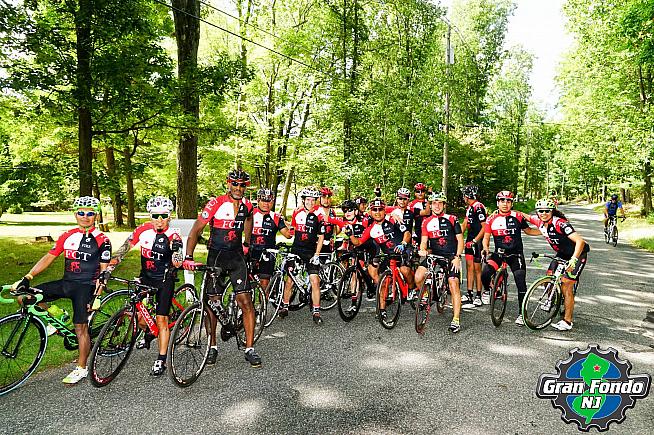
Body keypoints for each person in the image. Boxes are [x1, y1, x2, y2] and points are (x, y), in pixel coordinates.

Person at [12, 196, 111, 384]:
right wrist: (28, 277)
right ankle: (57, 314)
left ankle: (82, 368)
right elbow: (49, 257)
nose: (85, 217)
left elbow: (104, 272)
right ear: (75, 214)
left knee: (81, 328)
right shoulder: (67, 235)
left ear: (96, 216)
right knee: (25, 297)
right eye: (81, 213)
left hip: (86, 287)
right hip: (66, 283)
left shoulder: (102, 240)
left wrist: (97, 296)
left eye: (90, 213)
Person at [183, 169, 261, 368]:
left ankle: (250, 349)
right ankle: (212, 346)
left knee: (246, 301)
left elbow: (249, 219)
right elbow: (196, 229)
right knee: (212, 303)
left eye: (242, 185)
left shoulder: (247, 206)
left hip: (236, 258)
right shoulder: (215, 203)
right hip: (216, 257)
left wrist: (247, 242)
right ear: (228, 183)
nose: (238, 188)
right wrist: (189, 256)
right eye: (235, 183)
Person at [109, 196, 183, 376]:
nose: (159, 220)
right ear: (150, 216)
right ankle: (150, 333)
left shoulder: (173, 235)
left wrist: (176, 251)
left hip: (164, 279)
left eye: (164, 215)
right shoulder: (142, 230)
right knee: (139, 317)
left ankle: (161, 359)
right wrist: (109, 268)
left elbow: (178, 261)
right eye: (156, 215)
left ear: (169, 216)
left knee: (161, 319)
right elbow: (124, 249)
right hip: (146, 278)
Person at [519, 199, 589, 331]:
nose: (544, 213)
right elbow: (524, 217)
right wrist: (506, 213)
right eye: (540, 211)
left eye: (547, 211)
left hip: (578, 254)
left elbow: (580, 242)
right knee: (549, 278)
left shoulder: (560, 223)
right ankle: (555, 298)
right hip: (562, 254)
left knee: (566, 285)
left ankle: (567, 321)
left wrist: (574, 260)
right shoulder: (540, 222)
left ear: (552, 211)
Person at [344, 198, 415, 320]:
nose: (377, 212)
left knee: (405, 270)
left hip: (403, 249)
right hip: (389, 255)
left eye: (380, 209)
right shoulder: (371, 229)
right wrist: (350, 235)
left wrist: (403, 243)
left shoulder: (392, 219)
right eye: (374, 210)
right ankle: (382, 310)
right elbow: (358, 242)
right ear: (371, 212)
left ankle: (412, 289)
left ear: (384, 210)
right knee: (382, 281)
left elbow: (407, 233)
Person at [481, 191, 534, 326]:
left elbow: (529, 231)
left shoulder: (518, 216)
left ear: (511, 203)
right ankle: (490, 289)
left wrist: (545, 232)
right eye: (502, 201)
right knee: (485, 273)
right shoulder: (491, 219)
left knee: (520, 282)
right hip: (499, 254)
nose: (505, 204)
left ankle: (522, 314)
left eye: (508, 201)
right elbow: (486, 238)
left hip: (516, 255)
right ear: (497, 203)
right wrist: (485, 248)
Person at [415, 192, 464, 333]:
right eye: (434, 203)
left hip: (451, 256)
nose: (437, 206)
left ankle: (456, 319)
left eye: (440, 203)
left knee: (453, 284)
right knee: (418, 277)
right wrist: (422, 250)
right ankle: (426, 294)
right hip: (434, 254)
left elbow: (460, 240)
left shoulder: (452, 219)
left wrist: (457, 256)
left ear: (444, 205)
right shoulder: (426, 222)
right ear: (430, 205)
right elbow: (424, 241)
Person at [279, 186, 326, 324]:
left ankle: (316, 311)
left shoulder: (319, 214)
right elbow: (293, 229)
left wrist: (317, 255)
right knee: (290, 280)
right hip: (296, 250)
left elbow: (321, 237)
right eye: (308, 200)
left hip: (311, 252)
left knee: (315, 280)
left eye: (313, 200)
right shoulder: (297, 212)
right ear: (303, 200)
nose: (310, 202)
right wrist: (283, 222)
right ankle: (285, 306)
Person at [250, 188, 292, 291]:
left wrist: (292, 224)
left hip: (268, 254)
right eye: (263, 200)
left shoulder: (276, 217)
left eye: (269, 201)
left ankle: (264, 301)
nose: (266, 204)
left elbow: (288, 235)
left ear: (272, 202)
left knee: (265, 283)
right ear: (258, 200)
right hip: (251, 252)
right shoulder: (250, 214)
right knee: (246, 283)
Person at [460, 185, 487, 308]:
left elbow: (485, 227)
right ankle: (469, 293)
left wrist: (476, 240)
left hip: (478, 241)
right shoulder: (470, 208)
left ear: (467, 196)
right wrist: (456, 237)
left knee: (477, 269)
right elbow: (464, 224)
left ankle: (478, 295)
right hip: (470, 240)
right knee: (469, 267)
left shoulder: (478, 207)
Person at [313, 187, 340, 255]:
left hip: (329, 245)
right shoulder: (315, 211)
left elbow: (335, 229)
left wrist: (333, 237)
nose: (326, 200)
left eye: (328, 197)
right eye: (324, 197)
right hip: (316, 244)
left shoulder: (332, 212)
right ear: (319, 198)